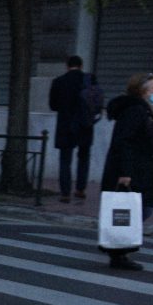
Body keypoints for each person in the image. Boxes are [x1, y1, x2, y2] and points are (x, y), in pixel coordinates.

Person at [98, 72, 153, 271]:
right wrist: (125, 172)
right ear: (143, 90)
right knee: (136, 210)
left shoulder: (147, 110)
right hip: (134, 170)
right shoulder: (136, 110)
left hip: (143, 169)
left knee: (140, 209)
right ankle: (118, 253)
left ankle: (118, 251)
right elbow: (124, 142)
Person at [47, 55, 100, 203]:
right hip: (85, 124)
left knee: (65, 160)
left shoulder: (59, 81)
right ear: (81, 66)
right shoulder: (90, 80)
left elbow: (53, 105)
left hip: (66, 125)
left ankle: (65, 192)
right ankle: (80, 189)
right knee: (83, 157)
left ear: (67, 66)